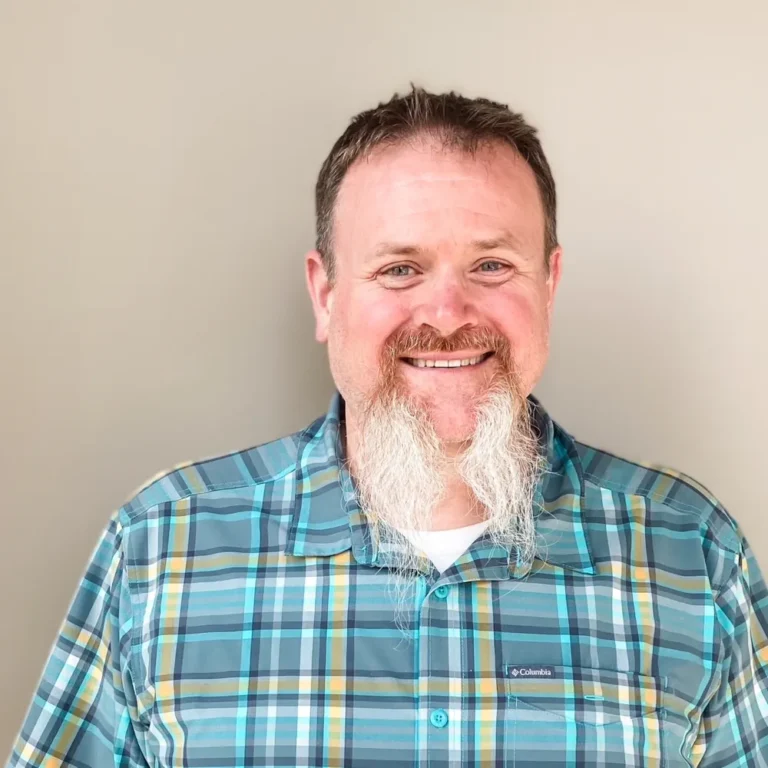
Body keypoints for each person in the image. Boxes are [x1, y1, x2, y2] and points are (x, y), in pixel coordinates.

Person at [7, 86, 768, 768]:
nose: (448, 314)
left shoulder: (693, 555)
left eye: (492, 265)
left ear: (550, 283)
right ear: (324, 295)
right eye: (400, 269)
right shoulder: (161, 550)